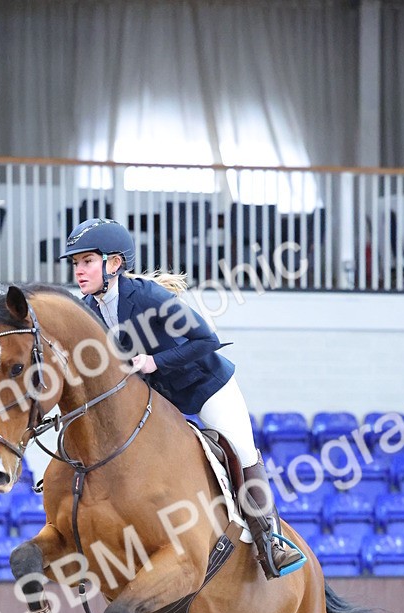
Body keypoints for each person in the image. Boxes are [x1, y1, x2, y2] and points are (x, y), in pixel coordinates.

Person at [57, 218, 305, 580]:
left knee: (242, 451)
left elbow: (206, 340)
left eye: (87, 262)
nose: (79, 271)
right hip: (160, 400)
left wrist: (154, 362)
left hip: (204, 387)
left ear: (114, 263)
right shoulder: (88, 311)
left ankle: (271, 541)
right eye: (76, 263)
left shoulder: (147, 298)